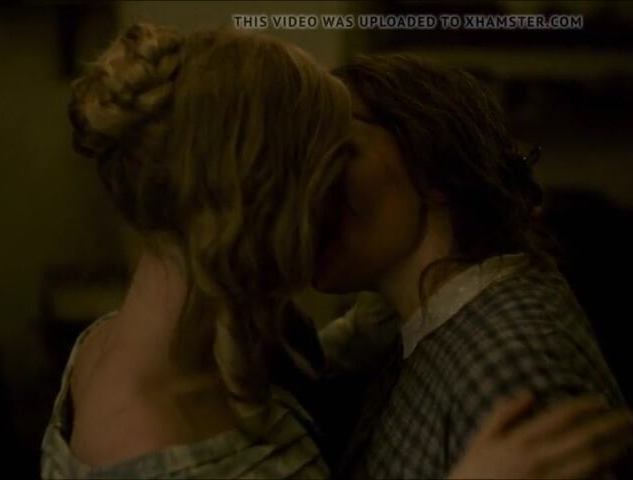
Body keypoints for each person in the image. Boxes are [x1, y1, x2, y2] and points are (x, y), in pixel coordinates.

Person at [41, 24, 632, 479]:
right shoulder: (158, 428)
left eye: (339, 153)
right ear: (247, 190)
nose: (322, 191)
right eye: (317, 159)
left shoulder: (115, 344)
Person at [314, 53, 633, 479]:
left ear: (431, 163)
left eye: (338, 150)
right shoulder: (421, 325)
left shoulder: (512, 370)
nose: (311, 183)